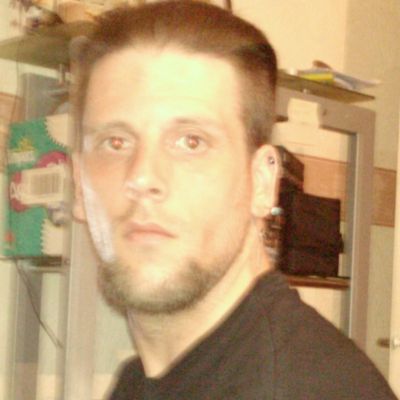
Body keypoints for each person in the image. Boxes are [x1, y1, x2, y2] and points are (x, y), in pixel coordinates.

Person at [71, 1, 397, 399]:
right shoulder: (142, 380)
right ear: (79, 184)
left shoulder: (298, 389)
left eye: (191, 142)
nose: (142, 176)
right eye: (115, 142)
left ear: (262, 182)